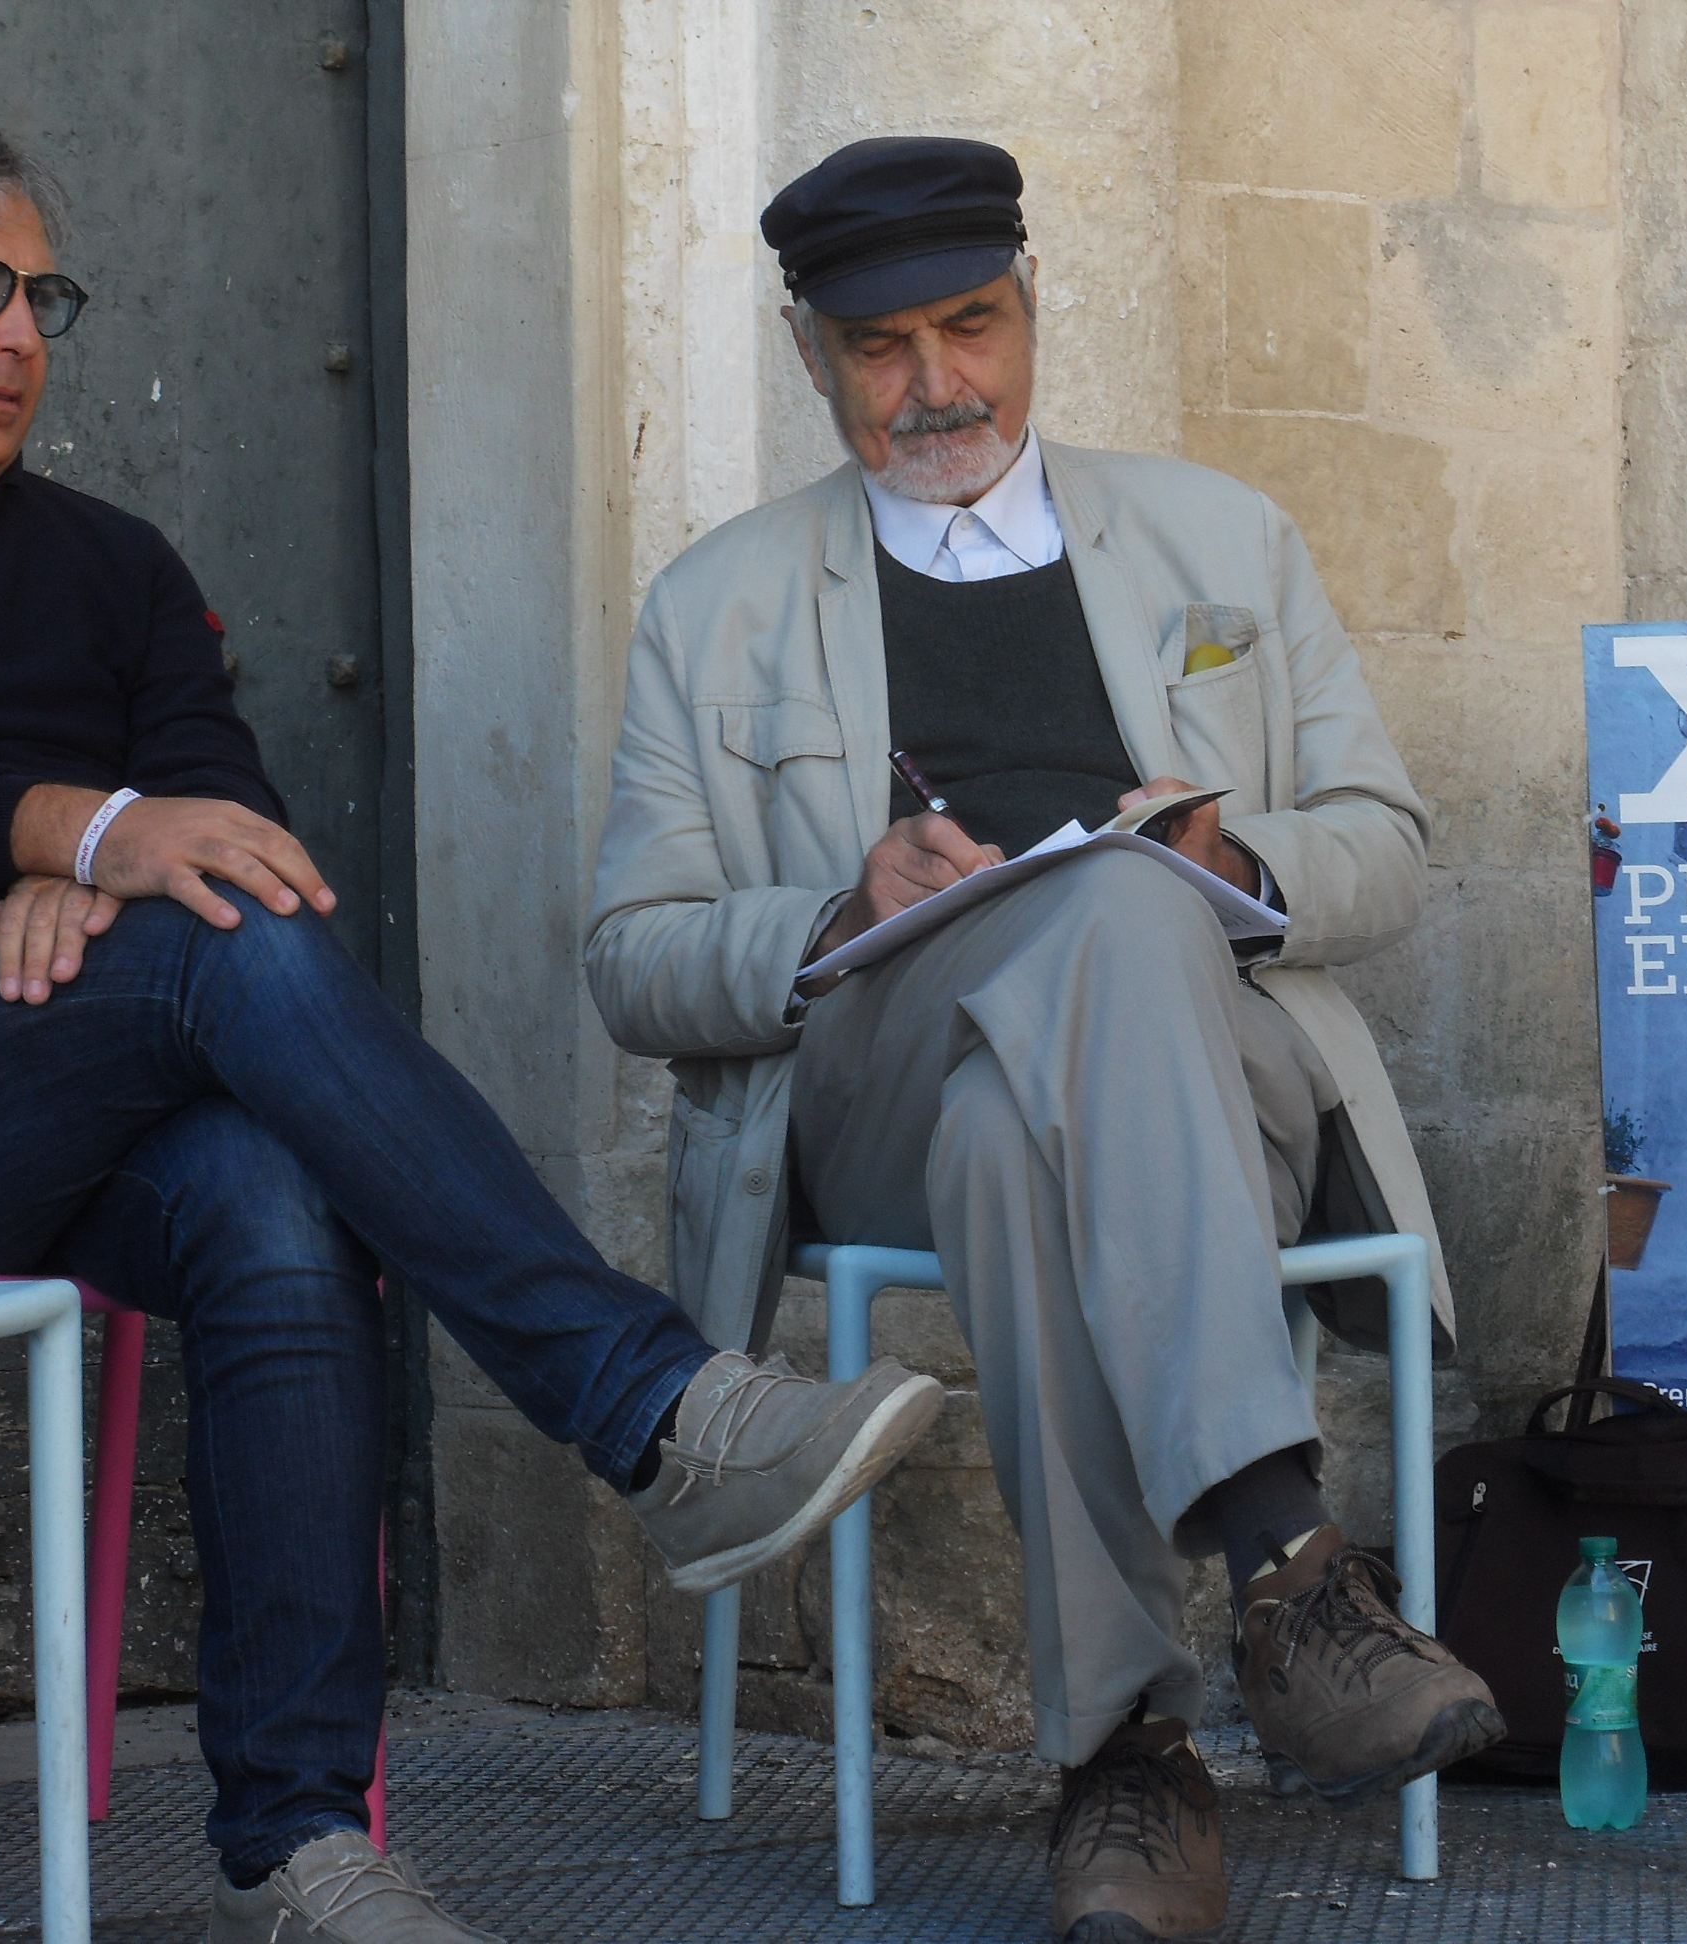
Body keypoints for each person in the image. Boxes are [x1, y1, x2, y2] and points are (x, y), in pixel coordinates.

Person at [0, 115, 945, 1944]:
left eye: (43, 296)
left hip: (58, 1094)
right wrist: (60, 830)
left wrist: (102, 876)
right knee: (208, 948)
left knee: (270, 1182)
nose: (19, 333)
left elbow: (216, 801)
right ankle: (655, 1413)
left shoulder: (114, 563)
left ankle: (303, 1847)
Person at [588, 136, 1503, 1943]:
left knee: (1047, 1081)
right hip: (874, 1079)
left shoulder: (1222, 537)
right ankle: (1285, 1562)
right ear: (809, 355)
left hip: (1199, 1077)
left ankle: (1126, 1762)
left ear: (1028, 313)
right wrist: (840, 912)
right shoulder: (716, 604)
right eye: (880, 347)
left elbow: (1388, 848)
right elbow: (633, 962)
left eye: (974, 325)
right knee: (1081, 933)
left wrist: (1229, 858)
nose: (940, 382)